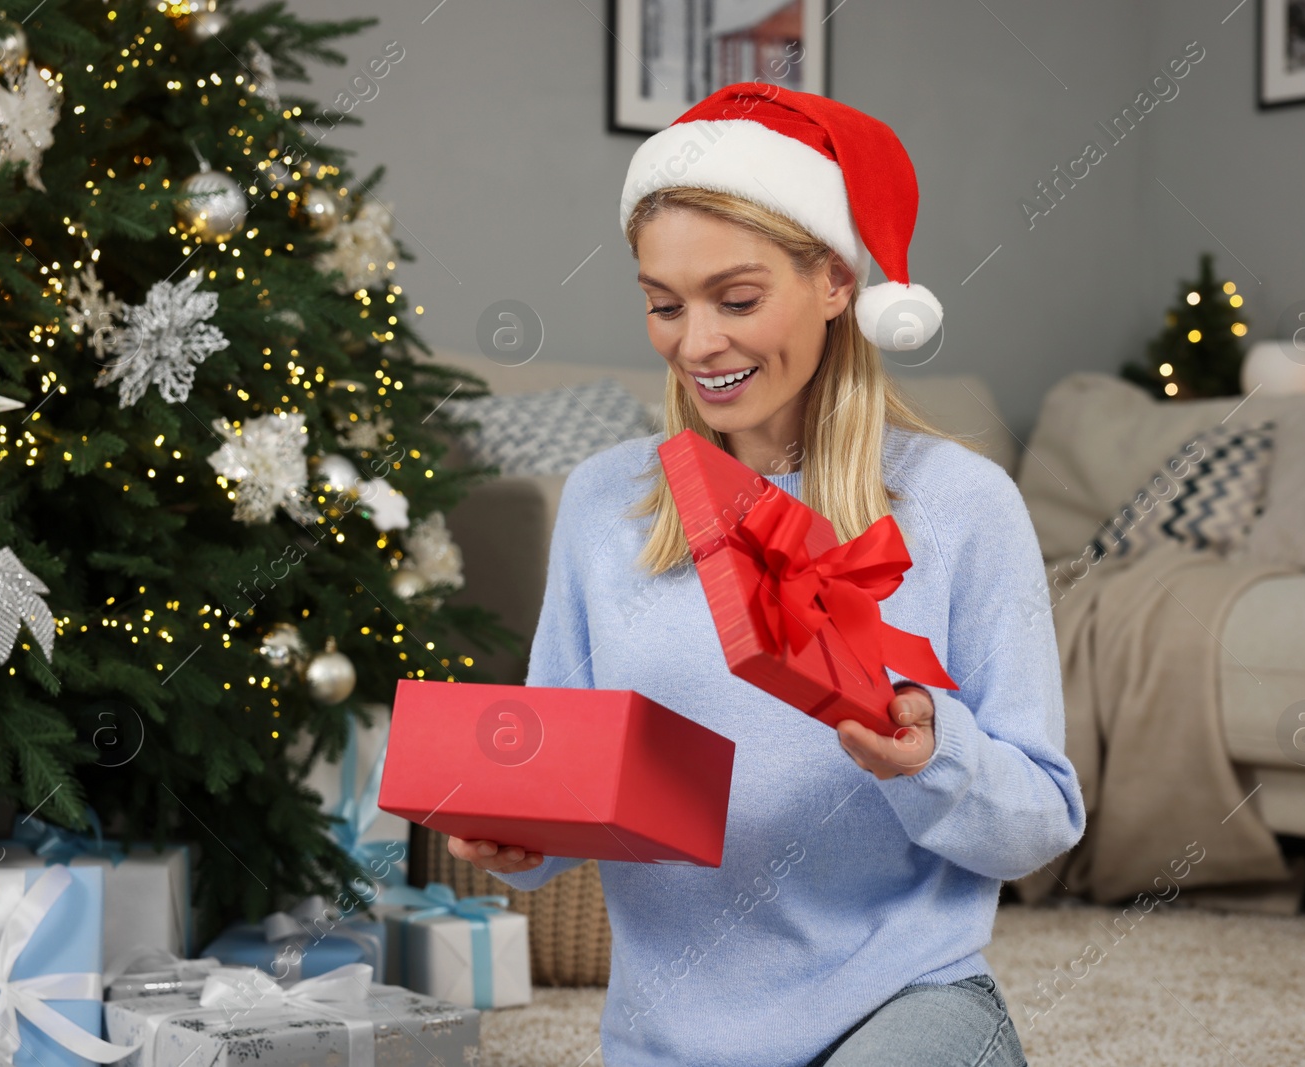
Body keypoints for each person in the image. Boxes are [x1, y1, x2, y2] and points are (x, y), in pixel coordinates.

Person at [449, 82, 1085, 1067]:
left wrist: (932, 754)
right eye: (663, 304)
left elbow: (1040, 818)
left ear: (835, 280)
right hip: (669, 1034)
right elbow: (569, 789)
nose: (695, 343)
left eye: (736, 299)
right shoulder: (602, 502)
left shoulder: (964, 503)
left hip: (902, 1004)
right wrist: (522, 841)